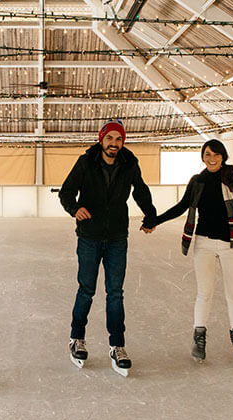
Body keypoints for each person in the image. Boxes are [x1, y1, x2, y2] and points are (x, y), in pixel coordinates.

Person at [154, 139, 233, 364]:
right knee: (205, 293)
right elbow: (182, 207)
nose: (212, 158)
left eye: (216, 154)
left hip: (230, 243)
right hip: (204, 243)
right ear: (202, 156)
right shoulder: (197, 181)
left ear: (223, 156)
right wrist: (155, 221)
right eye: (208, 154)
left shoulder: (231, 179)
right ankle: (199, 340)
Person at [59, 120, 157, 377]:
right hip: (89, 236)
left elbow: (141, 191)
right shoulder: (85, 162)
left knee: (115, 292)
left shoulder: (129, 164)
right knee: (87, 289)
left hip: (116, 237)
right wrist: (74, 208)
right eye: (110, 138)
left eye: (119, 139)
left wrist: (150, 216)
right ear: (101, 139)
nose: (114, 143)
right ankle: (76, 338)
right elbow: (67, 191)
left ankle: (117, 345)